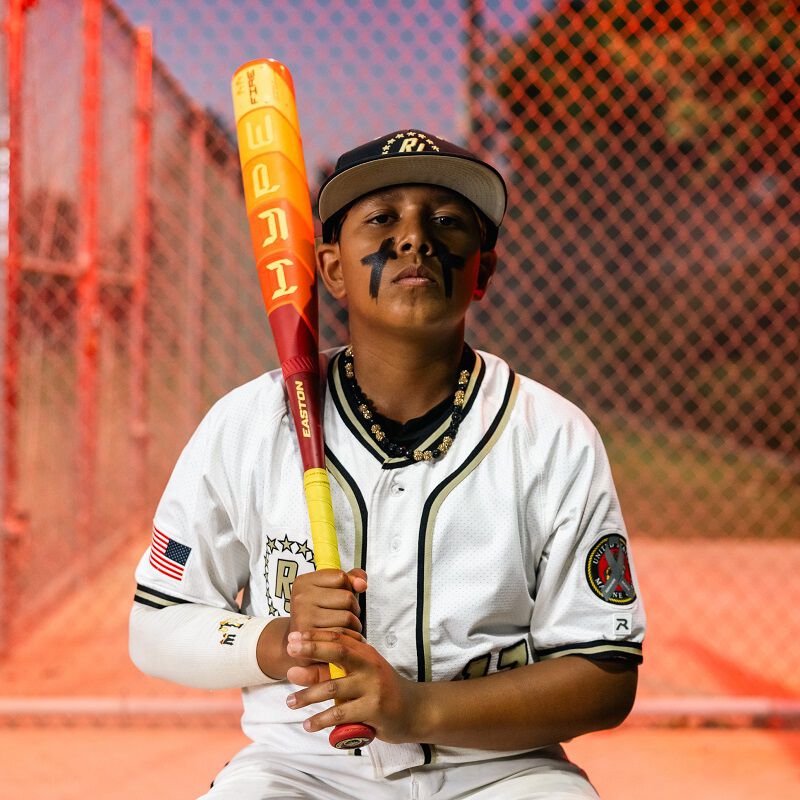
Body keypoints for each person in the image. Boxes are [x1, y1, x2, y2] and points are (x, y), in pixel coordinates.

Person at [130, 129, 645, 799]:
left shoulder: (551, 436)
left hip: (499, 769)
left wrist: (416, 710)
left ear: (482, 271)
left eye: (447, 220)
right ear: (333, 269)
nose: (414, 238)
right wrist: (280, 639)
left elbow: (605, 673)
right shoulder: (250, 423)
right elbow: (156, 625)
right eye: (382, 217)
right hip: (303, 770)